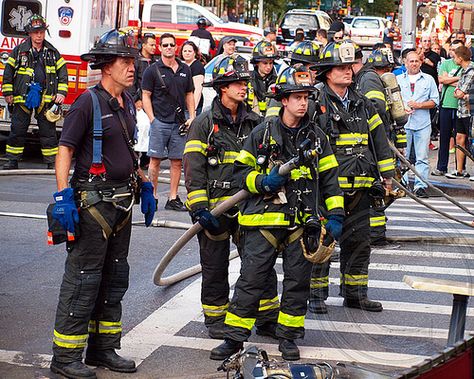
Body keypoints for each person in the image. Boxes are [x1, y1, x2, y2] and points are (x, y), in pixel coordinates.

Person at [210, 64, 344, 361]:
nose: (302, 102)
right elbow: (238, 175)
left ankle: (288, 337)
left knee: (298, 283)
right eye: (296, 97)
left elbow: (331, 182)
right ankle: (233, 340)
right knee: (251, 281)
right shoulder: (261, 133)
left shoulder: (318, 138)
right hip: (263, 222)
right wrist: (262, 181)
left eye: (306, 97)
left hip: (302, 223)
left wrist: (335, 217)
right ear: (283, 100)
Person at [49, 29, 156, 379]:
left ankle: (103, 349)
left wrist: (145, 184)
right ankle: (65, 357)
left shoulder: (126, 103)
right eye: (126, 62)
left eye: (133, 62)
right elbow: (65, 150)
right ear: (107, 67)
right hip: (93, 205)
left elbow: (126, 151)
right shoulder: (86, 102)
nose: (132, 68)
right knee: (83, 279)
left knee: (114, 279)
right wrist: (63, 196)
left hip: (121, 206)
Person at [184, 54, 279, 340]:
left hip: (249, 205)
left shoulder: (255, 123)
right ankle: (215, 319)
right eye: (237, 83)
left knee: (259, 262)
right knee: (215, 265)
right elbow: (193, 167)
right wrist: (199, 207)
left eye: (245, 82)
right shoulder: (203, 124)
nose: (244, 87)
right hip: (214, 208)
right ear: (223, 87)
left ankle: (266, 316)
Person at [309, 41, 396, 315]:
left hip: (360, 186)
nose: (348, 71)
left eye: (349, 67)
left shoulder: (362, 103)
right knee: (322, 241)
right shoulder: (315, 104)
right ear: (327, 72)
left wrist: (388, 176)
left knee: (359, 243)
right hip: (327, 190)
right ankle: (315, 295)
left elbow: (380, 141)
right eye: (341, 67)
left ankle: (355, 293)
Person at [353, 47, 406, 247]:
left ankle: (375, 234)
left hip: (376, 144)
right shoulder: (372, 78)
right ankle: (374, 231)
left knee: (376, 186)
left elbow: (375, 110)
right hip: (382, 141)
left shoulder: (368, 79)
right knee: (379, 186)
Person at [2, 14, 68, 170]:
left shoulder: (53, 52)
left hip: (46, 99)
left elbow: (63, 74)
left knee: (48, 132)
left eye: (42, 32)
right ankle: (12, 160)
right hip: (22, 97)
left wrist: (61, 93)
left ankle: (51, 161)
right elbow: (8, 72)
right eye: (36, 32)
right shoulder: (19, 51)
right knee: (17, 129)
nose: (39, 35)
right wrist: (8, 93)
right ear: (30, 33)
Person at [142, 33, 196, 210]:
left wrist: (192, 117)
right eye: (165, 45)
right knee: (155, 160)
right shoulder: (152, 70)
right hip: (160, 122)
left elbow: (190, 94)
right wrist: (152, 119)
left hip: (179, 123)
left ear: (176, 47)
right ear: (159, 48)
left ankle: (173, 198)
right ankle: (154, 196)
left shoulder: (184, 69)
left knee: (177, 162)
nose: (168, 48)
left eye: (171, 45)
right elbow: (146, 95)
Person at [397, 51, 439, 198]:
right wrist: (402, 108)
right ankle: (402, 184)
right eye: (411, 61)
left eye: (416, 61)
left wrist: (419, 105)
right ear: (405, 63)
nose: (414, 64)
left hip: (423, 123)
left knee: (422, 157)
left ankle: (420, 186)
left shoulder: (428, 80)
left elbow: (435, 101)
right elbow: (393, 100)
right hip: (403, 124)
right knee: (403, 156)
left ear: (420, 62)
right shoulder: (398, 79)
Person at [432, 40, 464, 176]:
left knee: (461, 138)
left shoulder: (470, 65)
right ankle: (441, 167)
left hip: (462, 107)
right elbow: (442, 80)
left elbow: (466, 83)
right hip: (446, 104)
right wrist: (459, 79)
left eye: (457, 50)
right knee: (444, 137)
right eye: (452, 49)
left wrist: (449, 79)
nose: (453, 52)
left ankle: (460, 169)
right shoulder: (445, 63)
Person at [266, 41, 321, 119]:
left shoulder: (320, 89)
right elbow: (271, 122)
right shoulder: (282, 88)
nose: (317, 72)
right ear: (299, 66)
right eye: (313, 68)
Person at [127, 32, 157, 169]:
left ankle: (146, 158)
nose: (154, 47)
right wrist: (136, 99)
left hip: (152, 101)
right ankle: (135, 155)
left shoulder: (155, 62)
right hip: (139, 101)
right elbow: (132, 82)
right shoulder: (137, 61)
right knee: (140, 127)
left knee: (151, 129)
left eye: (155, 45)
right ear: (143, 45)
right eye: (151, 45)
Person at [445, 45, 474, 179]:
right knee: (459, 138)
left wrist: (461, 93)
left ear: (461, 58)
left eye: (455, 56)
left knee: (472, 140)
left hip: (470, 111)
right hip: (461, 110)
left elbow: (459, 92)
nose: (453, 59)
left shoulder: (471, 71)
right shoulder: (463, 71)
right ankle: (459, 170)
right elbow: (459, 91)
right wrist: (461, 93)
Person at [247, 41, 279, 116]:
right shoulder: (248, 80)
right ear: (257, 63)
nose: (268, 67)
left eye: (271, 63)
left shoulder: (277, 82)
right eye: (265, 63)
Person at [180, 41, 205, 116]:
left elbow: (198, 89)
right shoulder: (181, 65)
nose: (187, 53)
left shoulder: (197, 66)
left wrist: (193, 110)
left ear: (195, 53)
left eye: (190, 51)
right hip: (182, 105)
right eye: (185, 51)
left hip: (192, 106)